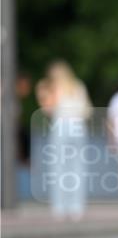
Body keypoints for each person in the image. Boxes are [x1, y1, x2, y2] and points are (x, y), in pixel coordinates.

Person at [36, 61, 92, 220]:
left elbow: (48, 109)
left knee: (59, 169)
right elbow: (87, 110)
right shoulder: (78, 86)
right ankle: (77, 208)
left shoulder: (52, 87)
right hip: (78, 126)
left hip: (61, 126)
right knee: (78, 169)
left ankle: (60, 208)